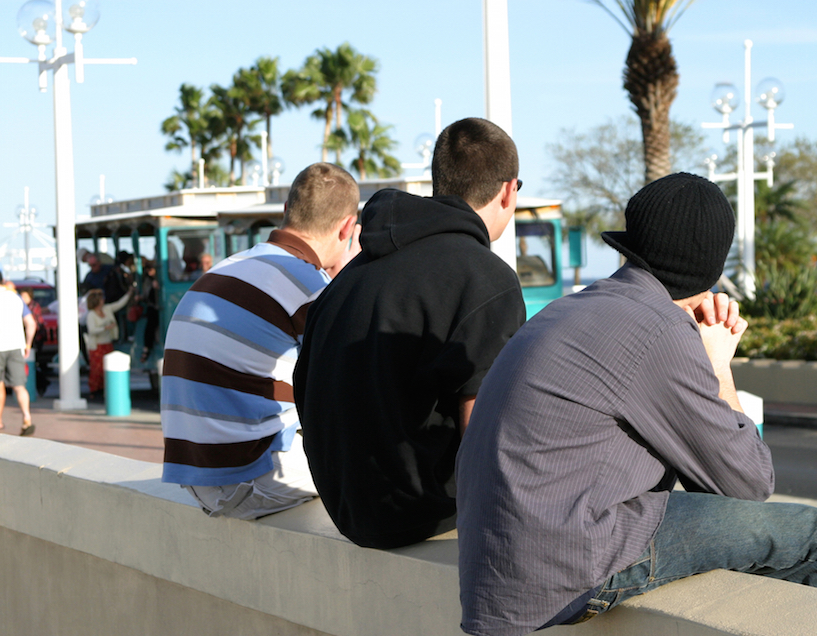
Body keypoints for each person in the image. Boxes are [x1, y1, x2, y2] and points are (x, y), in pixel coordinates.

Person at [456, 173, 817, 636]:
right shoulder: (659, 332)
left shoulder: (572, 309)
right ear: (712, 264)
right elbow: (749, 483)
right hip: (565, 567)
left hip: (499, 565)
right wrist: (718, 365)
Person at [295, 117, 526, 549]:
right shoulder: (486, 278)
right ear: (509, 190)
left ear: (440, 181)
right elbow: (488, 428)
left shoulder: (351, 274)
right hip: (423, 515)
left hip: (349, 511)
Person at [160, 163, 361, 520]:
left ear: (286, 212)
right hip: (248, 478)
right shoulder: (311, 288)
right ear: (348, 227)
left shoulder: (226, 269)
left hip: (196, 475)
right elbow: (351, 392)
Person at [0, 270, 36, 436]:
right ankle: (27, 418)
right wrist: (27, 344)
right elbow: (31, 323)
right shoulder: (16, 298)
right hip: (16, 346)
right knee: (20, 386)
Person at [84, 286, 133, 400]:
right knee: (96, 370)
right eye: (101, 299)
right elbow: (92, 330)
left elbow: (119, 304)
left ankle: (105, 389)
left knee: (107, 368)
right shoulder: (91, 315)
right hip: (97, 345)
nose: (103, 300)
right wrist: (106, 328)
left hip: (107, 343)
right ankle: (95, 390)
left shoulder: (107, 309)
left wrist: (129, 294)